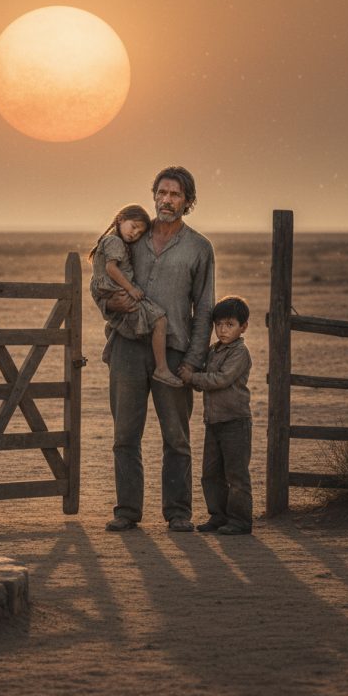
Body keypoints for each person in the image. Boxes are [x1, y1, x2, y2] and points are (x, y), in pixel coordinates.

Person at [96, 166, 215, 532]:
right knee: (125, 435)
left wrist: (193, 361)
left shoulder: (199, 248)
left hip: (175, 352)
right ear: (153, 195)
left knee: (176, 438)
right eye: (162, 192)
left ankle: (178, 512)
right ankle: (127, 511)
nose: (166, 200)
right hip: (127, 347)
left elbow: (205, 308)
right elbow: (102, 277)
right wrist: (108, 305)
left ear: (188, 202)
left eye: (175, 194)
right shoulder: (132, 235)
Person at [179, 296, 253, 535]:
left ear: (243, 327)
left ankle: (240, 521)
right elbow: (205, 380)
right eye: (219, 324)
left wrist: (193, 378)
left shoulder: (240, 353)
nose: (222, 329)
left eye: (230, 324)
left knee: (236, 474)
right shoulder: (213, 351)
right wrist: (191, 377)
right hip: (214, 422)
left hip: (235, 421)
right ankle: (218, 516)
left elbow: (221, 379)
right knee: (211, 474)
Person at [88, 204, 183, 386]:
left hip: (114, 290)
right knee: (160, 320)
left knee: (136, 320)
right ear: (120, 219)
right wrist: (130, 289)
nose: (134, 234)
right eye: (133, 227)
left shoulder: (113, 241)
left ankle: (112, 349)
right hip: (119, 289)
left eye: (139, 233)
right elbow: (111, 268)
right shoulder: (115, 242)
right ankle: (162, 369)